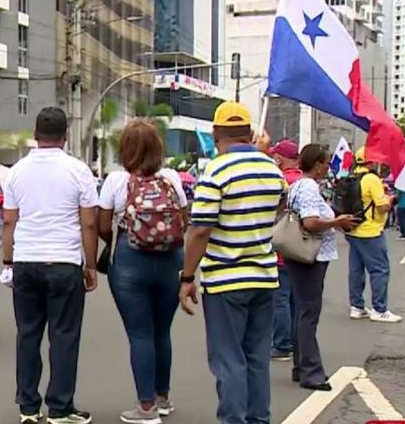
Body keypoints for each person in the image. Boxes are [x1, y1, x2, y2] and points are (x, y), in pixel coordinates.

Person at [179, 101, 282, 424]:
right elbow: (279, 209)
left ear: (215, 133)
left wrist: (187, 277)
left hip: (225, 281)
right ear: (249, 133)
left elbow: (200, 230)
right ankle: (258, 419)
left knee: (229, 361)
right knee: (257, 359)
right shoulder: (272, 169)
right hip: (264, 277)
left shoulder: (216, 171)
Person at [1, 107, 99, 424]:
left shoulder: (16, 172)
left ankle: (28, 406)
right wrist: (91, 265)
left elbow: (9, 221)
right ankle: (60, 407)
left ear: (35, 135)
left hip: (26, 261)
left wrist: (8, 261)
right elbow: (89, 223)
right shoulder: (78, 170)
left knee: (27, 334)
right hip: (64, 261)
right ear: (65, 136)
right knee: (64, 336)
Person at [98, 119, 187, 424]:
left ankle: (145, 408)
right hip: (171, 260)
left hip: (130, 261)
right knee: (162, 331)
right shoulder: (171, 178)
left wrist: (119, 239)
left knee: (140, 333)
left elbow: (102, 225)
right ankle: (162, 398)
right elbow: (184, 220)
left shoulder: (116, 181)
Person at [285, 145, 358, 391]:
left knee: (302, 311)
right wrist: (336, 221)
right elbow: (311, 222)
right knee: (309, 313)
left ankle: (301, 365)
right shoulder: (308, 187)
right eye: (326, 163)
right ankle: (311, 371)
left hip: (302, 254)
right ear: (317, 165)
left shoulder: (297, 185)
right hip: (311, 255)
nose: (328, 168)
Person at [346, 147, 402, 323]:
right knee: (379, 270)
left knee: (356, 270)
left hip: (353, 228)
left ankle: (357, 306)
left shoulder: (352, 176)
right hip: (370, 230)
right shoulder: (372, 179)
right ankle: (379, 309)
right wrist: (390, 199)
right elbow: (382, 206)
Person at [267, 139, 302, 362]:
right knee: (295, 301)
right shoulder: (305, 181)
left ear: (280, 158)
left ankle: (282, 344)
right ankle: (296, 342)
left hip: (280, 248)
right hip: (300, 249)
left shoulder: (280, 181)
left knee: (280, 299)